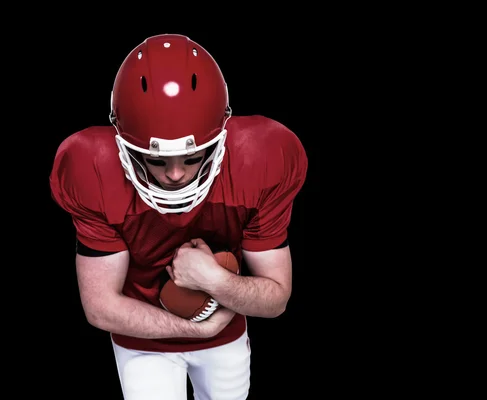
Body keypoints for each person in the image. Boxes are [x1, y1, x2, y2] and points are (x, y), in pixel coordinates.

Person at [49, 33, 308, 400]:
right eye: (156, 159)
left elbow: (277, 298)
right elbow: (100, 306)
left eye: (191, 157)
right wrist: (200, 330)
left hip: (224, 335)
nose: (174, 175)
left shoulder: (260, 157)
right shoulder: (91, 168)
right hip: (142, 341)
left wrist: (213, 280)